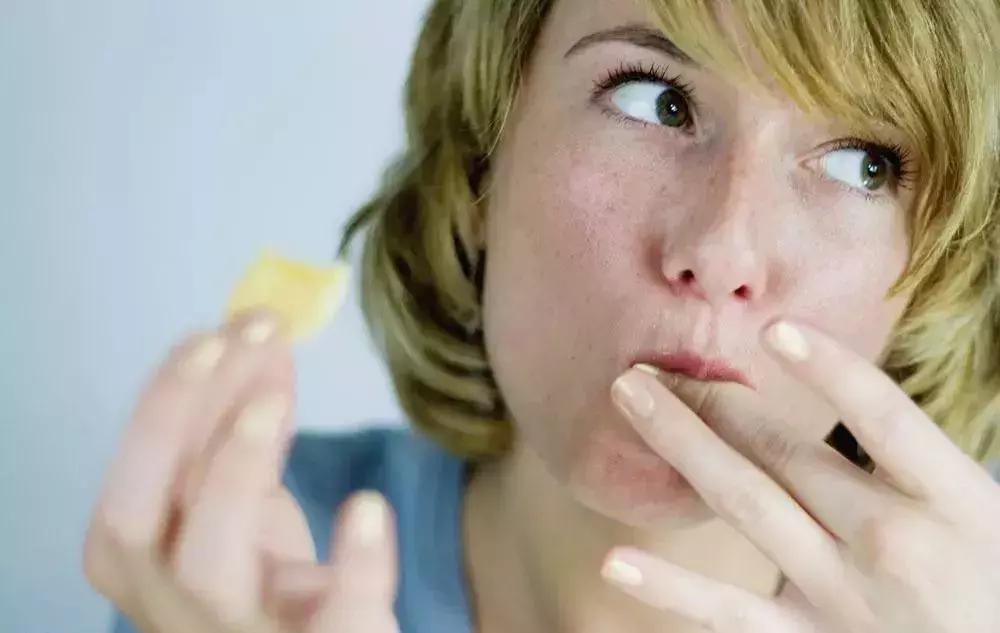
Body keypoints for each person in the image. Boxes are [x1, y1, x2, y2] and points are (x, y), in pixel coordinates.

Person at [84, 0, 1000, 631]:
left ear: (931, 278)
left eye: (861, 164)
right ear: (483, 162)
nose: (723, 252)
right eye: (654, 99)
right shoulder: (251, 562)